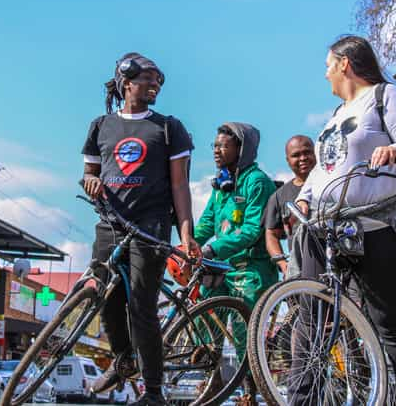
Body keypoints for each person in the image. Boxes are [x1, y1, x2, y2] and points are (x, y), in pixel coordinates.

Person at [292, 35, 396, 405]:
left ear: (345, 64)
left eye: (328, 65)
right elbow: (324, 169)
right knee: (310, 319)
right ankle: (300, 400)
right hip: (326, 230)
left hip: (375, 230)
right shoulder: (336, 115)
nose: (325, 74)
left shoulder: (384, 96)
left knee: (392, 327)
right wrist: (305, 198)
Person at [82, 52, 197, 406]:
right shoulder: (101, 126)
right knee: (104, 298)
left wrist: (186, 234)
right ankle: (123, 360)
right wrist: (90, 181)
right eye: (148, 78)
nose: (155, 85)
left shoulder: (167, 127)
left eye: (159, 81)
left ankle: (154, 393)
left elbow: (179, 186)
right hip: (110, 224)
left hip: (151, 227)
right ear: (126, 81)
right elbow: (90, 171)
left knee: (141, 307)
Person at [194, 122, 277, 406]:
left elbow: (252, 229)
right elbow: (207, 222)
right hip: (220, 268)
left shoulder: (257, 182)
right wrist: (188, 246)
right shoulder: (221, 183)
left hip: (250, 269)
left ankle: (249, 393)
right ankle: (213, 376)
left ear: (241, 149)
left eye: (223, 146)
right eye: (215, 146)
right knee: (206, 319)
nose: (217, 150)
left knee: (245, 335)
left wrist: (212, 248)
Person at [262, 135, 316, 276]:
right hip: (301, 270)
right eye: (296, 155)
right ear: (288, 160)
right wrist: (283, 265)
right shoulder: (279, 196)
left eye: (307, 152)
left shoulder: (332, 184)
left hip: (335, 263)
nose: (303, 158)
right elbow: (271, 234)